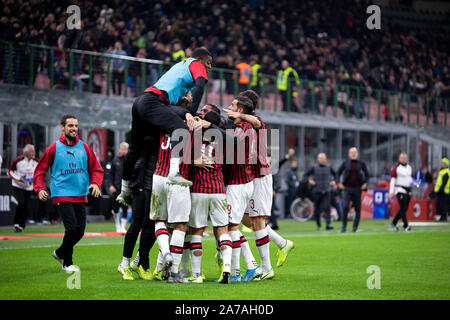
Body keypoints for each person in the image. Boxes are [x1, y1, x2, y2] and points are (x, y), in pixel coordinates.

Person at [118, 47, 213, 206]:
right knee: (181, 130)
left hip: (141, 101)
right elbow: (201, 85)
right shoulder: (195, 63)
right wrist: (191, 112)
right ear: (200, 59)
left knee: (135, 148)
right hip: (153, 102)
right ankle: (174, 172)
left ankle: (125, 190)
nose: (210, 67)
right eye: (208, 63)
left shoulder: (180, 66)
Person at [33, 114, 104, 272]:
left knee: (80, 231)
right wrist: (40, 188)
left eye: (76, 126)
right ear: (62, 127)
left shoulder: (85, 148)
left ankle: (60, 252)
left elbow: (97, 169)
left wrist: (95, 183)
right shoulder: (53, 148)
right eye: (70, 126)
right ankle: (67, 263)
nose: (74, 129)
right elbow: (39, 171)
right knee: (71, 229)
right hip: (62, 193)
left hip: (80, 193)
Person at [185, 108, 233, 284]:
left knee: (196, 231)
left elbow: (184, 158)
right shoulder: (222, 140)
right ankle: (226, 267)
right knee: (222, 231)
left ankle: (196, 275)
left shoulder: (193, 136)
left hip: (198, 189)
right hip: (218, 190)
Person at [117, 137, 158, 280]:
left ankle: (140, 262)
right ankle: (125, 263)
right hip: (141, 183)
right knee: (137, 224)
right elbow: (131, 160)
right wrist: (126, 187)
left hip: (155, 184)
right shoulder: (145, 137)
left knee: (152, 225)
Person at [336, 147, 370, 232]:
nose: (353, 154)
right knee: (345, 206)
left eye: (354, 152)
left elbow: (367, 175)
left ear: (357, 153)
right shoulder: (345, 163)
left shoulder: (361, 163)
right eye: (351, 152)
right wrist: (338, 183)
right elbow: (338, 172)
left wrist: (365, 183)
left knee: (358, 208)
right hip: (347, 188)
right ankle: (344, 227)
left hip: (358, 189)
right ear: (349, 154)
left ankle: (355, 227)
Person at [8, 144, 38, 232]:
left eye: (33, 151)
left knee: (26, 206)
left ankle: (21, 225)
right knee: (21, 202)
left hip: (29, 187)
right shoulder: (18, 161)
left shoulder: (36, 162)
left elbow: (41, 171)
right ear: (25, 153)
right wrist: (18, 178)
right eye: (31, 151)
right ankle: (16, 223)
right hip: (18, 185)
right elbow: (10, 171)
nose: (33, 153)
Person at [305, 153, 336, 230]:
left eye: (324, 158)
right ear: (318, 159)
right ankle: (319, 225)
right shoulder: (314, 167)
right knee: (317, 209)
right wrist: (310, 180)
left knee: (326, 207)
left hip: (327, 190)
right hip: (316, 191)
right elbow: (305, 175)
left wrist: (334, 181)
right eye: (321, 158)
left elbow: (336, 175)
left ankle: (328, 224)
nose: (322, 160)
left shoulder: (329, 167)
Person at [108, 142, 129, 233]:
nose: (124, 151)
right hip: (116, 188)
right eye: (122, 149)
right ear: (120, 149)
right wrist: (110, 185)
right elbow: (110, 174)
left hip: (126, 188)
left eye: (125, 149)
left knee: (125, 208)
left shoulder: (129, 161)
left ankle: (123, 227)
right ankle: (117, 224)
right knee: (116, 208)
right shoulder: (115, 160)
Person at [389, 152, 413, 231]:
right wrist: (391, 191)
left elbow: (409, 179)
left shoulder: (409, 167)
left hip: (408, 190)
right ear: (399, 159)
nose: (403, 159)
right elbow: (393, 180)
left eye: (405, 158)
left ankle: (394, 223)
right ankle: (406, 226)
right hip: (400, 190)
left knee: (405, 209)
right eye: (402, 158)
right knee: (403, 208)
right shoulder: (396, 168)